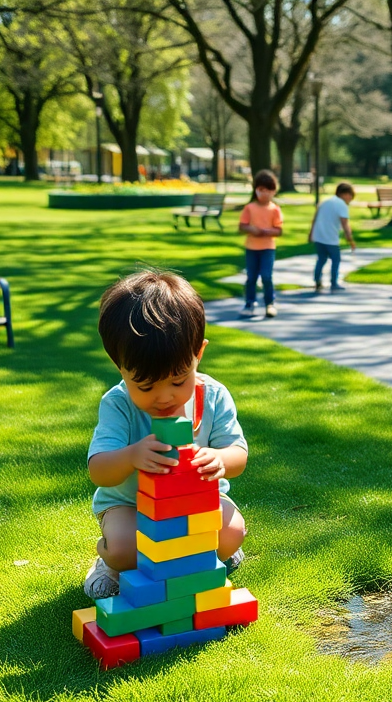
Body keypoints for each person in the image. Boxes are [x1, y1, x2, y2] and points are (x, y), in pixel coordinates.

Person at [83, 269, 249, 599]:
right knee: (125, 548)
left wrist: (219, 459)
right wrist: (131, 456)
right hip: (129, 506)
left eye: (177, 380)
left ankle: (200, 556)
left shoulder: (213, 396)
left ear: (197, 354)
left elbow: (238, 453)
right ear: (120, 366)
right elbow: (99, 470)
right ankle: (109, 567)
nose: (164, 397)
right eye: (145, 385)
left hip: (195, 502)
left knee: (232, 532)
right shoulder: (119, 405)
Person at [239, 170, 284, 318]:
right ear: (256, 190)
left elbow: (278, 230)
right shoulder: (250, 208)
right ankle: (250, 303)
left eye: (268, 190)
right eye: (261, 190)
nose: (264, 193)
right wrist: (251, 229)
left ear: (273, 191)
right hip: (252, 248)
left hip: (268, 248)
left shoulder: (275, 209)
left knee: (266, 276)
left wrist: (267, 231)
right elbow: (242, 226)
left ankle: (269, 303)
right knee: (251, 277)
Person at [309, 182, 356, 292]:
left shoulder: (324, 202)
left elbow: (315, 219)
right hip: (331, 238)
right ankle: (334, 283)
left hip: (319, 236)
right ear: (345, 194)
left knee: (321, 259)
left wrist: (311, 234)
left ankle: (317, 280)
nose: (350, 200)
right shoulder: (341, 204)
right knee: (336, 259)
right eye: (350, 197)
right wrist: (350, 239)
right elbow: (345, 224)